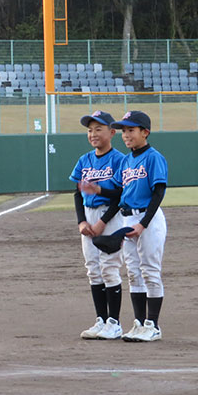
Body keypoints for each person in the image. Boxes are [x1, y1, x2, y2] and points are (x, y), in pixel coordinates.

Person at [96, 111, 168, 342]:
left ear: (145, 132)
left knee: (150, 271)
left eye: (131, 130)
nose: (126, 135)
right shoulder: (127, 160)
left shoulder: (154, 157)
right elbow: (118, 193)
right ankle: (138, 323)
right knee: (134, 273)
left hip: (148, 218)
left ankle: (153, 325)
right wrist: (97, 190)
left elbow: (158, 192)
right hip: (128, 219)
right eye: (124, 130)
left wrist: (143, 223)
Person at [69, 111, 126, 340]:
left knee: (109, 267)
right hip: (89, 216)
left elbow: (121, 194)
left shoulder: (120, 160)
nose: (93, 134)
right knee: (93, 269)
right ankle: (101, 320)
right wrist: (82, 221)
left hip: (109, 216)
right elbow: (77, 193)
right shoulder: (84, 160)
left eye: (98, 129)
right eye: (90, 130)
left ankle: (115, 323)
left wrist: (103, 221)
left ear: (112, 132)